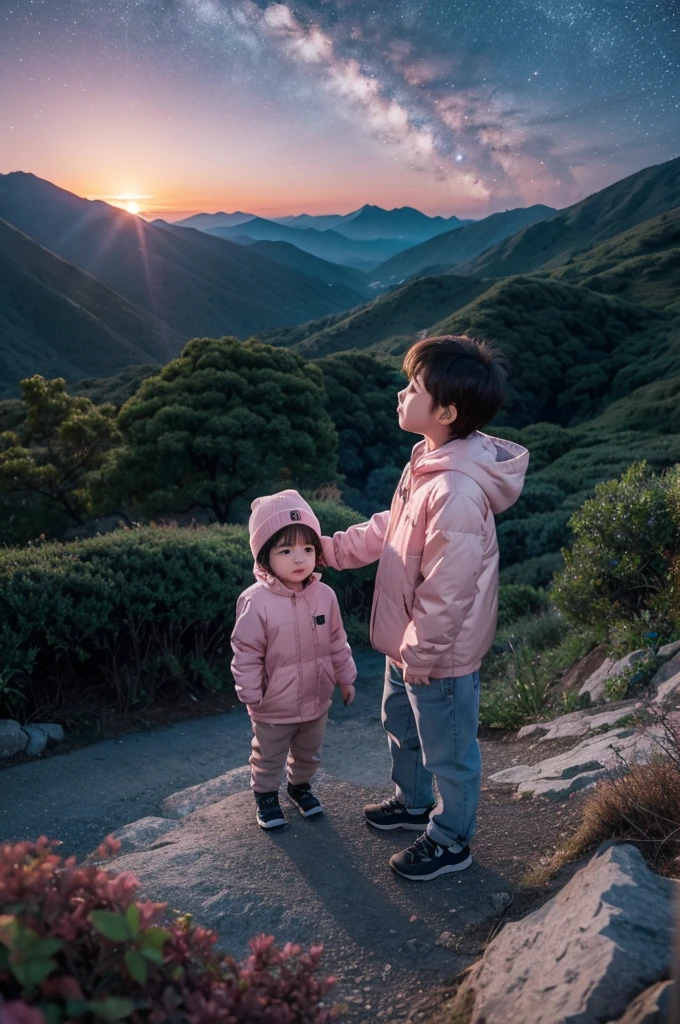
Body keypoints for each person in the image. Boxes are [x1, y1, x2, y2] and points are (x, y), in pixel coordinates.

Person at [322, 335, 529, 880]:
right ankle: (412, 803)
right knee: (402, 726)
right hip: (408, 640)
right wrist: (333, 549)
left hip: (438, 653)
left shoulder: (457, 490)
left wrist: (420, 652)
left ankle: (450, 838)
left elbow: (449, 589)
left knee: (449, 751)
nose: (400, 393)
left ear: (446, 411)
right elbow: (393, 529)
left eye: (412, 387)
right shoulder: (428, 461)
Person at [231, 490, 357, 830]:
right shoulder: (255, 601)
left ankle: (299, 787)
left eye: (307, 548)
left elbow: (337, 642)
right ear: (264, 558)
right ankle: (266, 796)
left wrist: (345, 679)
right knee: (268, 754)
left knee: (308, 752)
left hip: (316, 698)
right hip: (273, 703)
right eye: (285, 550)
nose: (298, 558)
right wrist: (251, 693)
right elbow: (246, 652)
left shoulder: (325, 596)